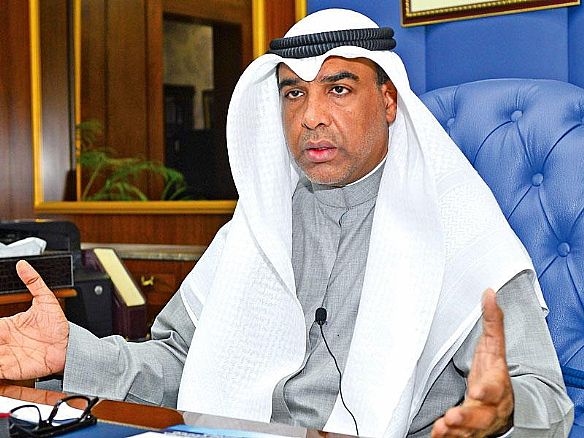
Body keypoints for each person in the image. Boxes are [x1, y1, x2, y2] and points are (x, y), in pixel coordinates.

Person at [0, 8, 574, 438]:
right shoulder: (256, 228)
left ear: (389, 101)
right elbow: (181, 363)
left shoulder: (461, 234)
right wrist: (71, 354)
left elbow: (544, 395)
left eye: (339, 89)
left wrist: (504, 415)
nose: (311, 116)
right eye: (293, 94)